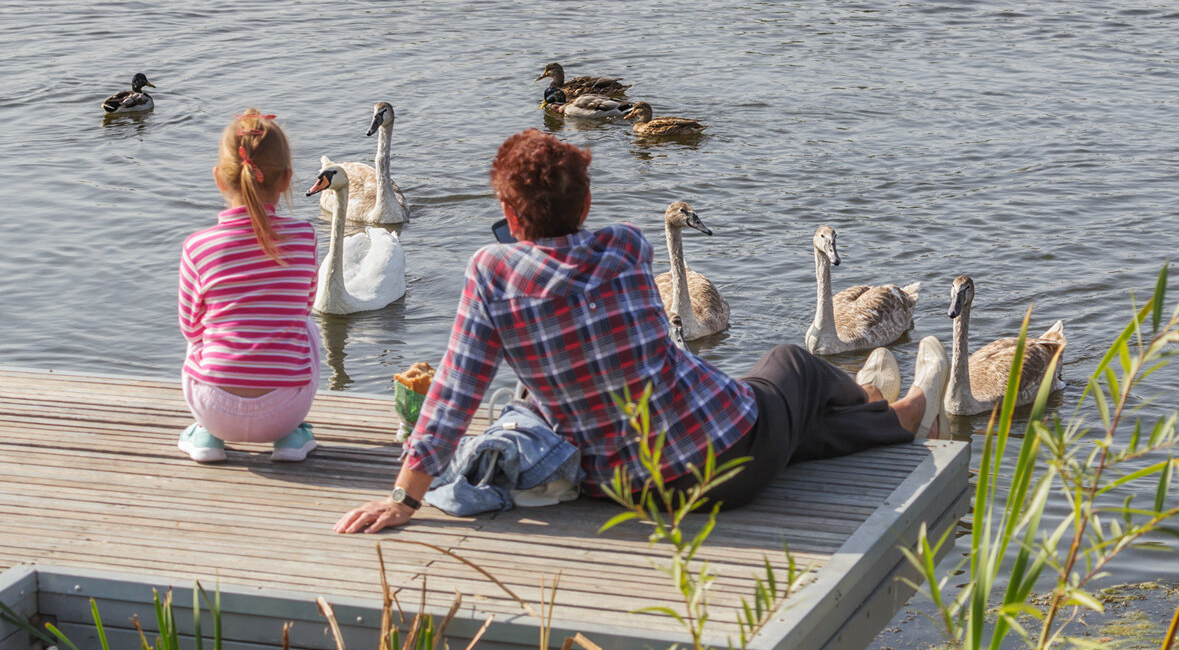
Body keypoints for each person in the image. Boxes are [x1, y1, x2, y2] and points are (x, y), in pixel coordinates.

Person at [334, 129, 948, 534]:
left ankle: (888, 414)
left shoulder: (489, 272)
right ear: (587, 199)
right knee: (791, 364)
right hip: (735, 459)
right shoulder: (626, 244)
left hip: (631, 488)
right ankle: (882, 407)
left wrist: (406, 499)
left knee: (790, 425)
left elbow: (454, 394)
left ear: (508, 214)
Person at [177, 109, 321, 464]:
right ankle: (290, 437)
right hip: (287, 407)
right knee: (307, 327)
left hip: (214, 407)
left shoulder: (198, 246)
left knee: (201, 337)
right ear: (287, 179)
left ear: (219, 179)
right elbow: (303, 308)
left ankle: (206, 436)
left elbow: (190, 328)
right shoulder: (304, 238)